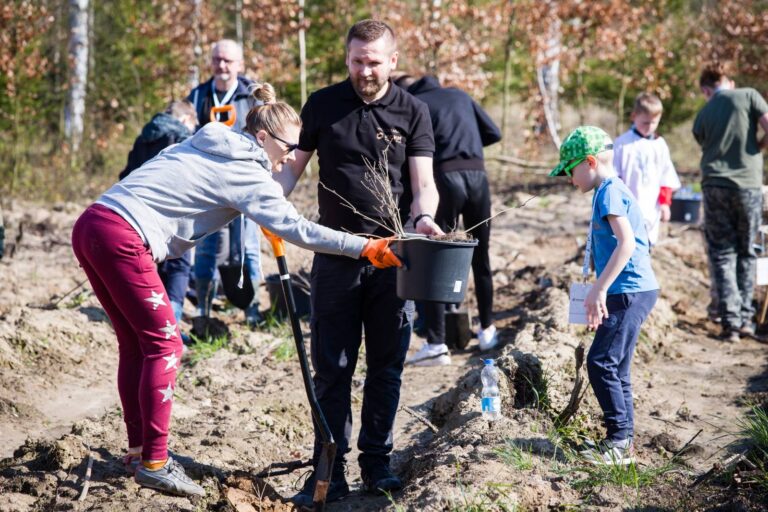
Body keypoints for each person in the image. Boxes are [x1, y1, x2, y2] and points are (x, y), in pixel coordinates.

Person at [71, 83, 401, 497]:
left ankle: (139, 453)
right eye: (287, 148)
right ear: (262, 138)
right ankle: (155, 462)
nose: (289, 160)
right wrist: (365, 247)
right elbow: (299, 229)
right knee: (165, 346)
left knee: (137, 344)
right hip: (124, 237)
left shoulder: (209, 141)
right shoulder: (248, 172)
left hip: (93, 223)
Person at [273, 19, 442, 506]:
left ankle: (377, 463)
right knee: (333, 368)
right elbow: (293, 172)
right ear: (346, 58)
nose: (365, 70)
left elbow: (423, 181)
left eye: (374, 61)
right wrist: (265, 205)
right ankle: (327, 470)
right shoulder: (323, 104)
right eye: (357, 61)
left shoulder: (413, 111)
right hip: (335, 254)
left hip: (392, 257)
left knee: (386, 366)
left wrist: (424, 217)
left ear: (393, 61)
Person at [549, 126, 659, 465]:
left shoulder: (609, 191)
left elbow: (626, 243)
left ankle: (619, 441)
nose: (570, 180)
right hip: (631, 290)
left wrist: (599, 288)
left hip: (627, 291)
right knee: (617, 366)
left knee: (600, 363)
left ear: (591, 162)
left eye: (571, 171)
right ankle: (622, 441)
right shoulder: (610, 189)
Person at [396, 74, 502, 366]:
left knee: (436, 259)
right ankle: (488, 330)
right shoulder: (460, 95)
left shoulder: (415, 104)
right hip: (478, 177)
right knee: (481, 256)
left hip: (443, 177)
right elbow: (494, 132)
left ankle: (436, 343)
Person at [187, 39, 263, 325]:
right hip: (207, 187)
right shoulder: (198, 96)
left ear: (240, 64)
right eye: (217, 59)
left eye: (228, 61)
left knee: (247, 247)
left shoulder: (252, 95)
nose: (222, 66)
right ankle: (203, 309)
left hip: (245, 185)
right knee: (205, 247)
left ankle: (251, 308)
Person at [692, 62, 768, 342]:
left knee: (723, 252)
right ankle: (747, 320)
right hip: (748, 185)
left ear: (705, 89)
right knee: (747, 250)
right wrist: (757, 148)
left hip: (715, 186)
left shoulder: (704, 113)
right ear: (729, 82)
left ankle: (731, 324)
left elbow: (705, 143)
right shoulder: (748, 95)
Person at [119, 100, 198, 332]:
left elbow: (126, 175)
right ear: (185, 119)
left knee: (153, 266)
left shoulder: (144, 136)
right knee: (179, 266)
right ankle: (169, 326)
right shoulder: (182, 138)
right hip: (172, 214)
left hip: (137, 214)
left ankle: (149, 321)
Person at [613, 93, 680, 245]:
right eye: (645, 122)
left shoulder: (660, 145)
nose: (649, 127)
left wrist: (664, 203)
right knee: (626, 245)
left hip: (651, 209)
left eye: (653, 123)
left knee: (645, 247)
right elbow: (614, 177)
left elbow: (666, 176)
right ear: (634, 116)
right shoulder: (622, 143)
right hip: (627, 208)